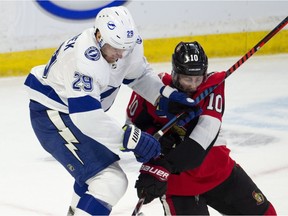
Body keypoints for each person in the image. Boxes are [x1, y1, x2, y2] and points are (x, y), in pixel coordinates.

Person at [24, 6, 196, 216]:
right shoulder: (83, 59)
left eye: (124, 48)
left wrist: (166, 98)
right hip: (54, 114)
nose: (120, 54)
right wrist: (134, 140)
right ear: (98, 36)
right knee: (109, 181)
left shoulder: (125, 47)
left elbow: (139, 77)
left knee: (95, 179)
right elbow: (87, 119)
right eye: (115, 48)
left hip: (74, 115)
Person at [126, 41, 277, 215]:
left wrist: (164, 165)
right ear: (175, 74)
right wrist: (155, 143)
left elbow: (201, 140)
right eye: (187, 79)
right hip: (179, 185)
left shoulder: (212, 87)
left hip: (218, 173)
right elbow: (132, 130)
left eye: (198, 79)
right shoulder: (153, 88)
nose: (193, 85)